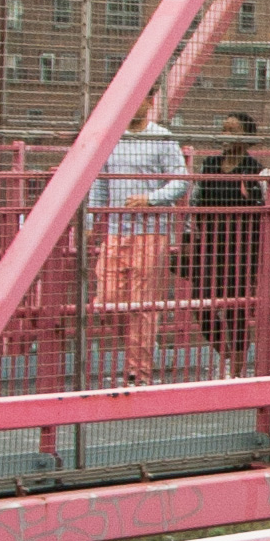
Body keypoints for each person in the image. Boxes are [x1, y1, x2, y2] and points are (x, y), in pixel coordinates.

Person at [86, 106, 192, 389]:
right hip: (115, 229)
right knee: (108, 299)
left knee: (143, 304)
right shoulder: (111, 136)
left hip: (151, 230)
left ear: (147, 102)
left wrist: (152, 199)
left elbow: (180, 180)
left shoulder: (162, 137)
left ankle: (138, 373)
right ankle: (136, 357)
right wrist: (89, 218)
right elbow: (99, 182)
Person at [184, 108, 267, 366]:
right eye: (224, 129)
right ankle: (227, 353)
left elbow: (265, 207)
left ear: (246, 137)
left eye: (232, 130)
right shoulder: (209, 165)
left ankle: (239, 368)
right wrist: (188, 238)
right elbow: (195, 202)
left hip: (242, 247)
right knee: (201, 304)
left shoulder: (254, 170)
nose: (225, 134)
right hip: (210, 244)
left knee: (235, 308)